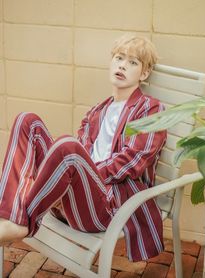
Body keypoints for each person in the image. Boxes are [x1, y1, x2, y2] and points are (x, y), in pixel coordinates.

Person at [0, 35, 166, 262]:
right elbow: (81, 156)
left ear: (144, 74)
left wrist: (84, 175)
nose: (122, 65)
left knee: (68, 146)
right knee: (27, 121)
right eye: (119, 58)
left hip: (107, 208)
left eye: (133, 62)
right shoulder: (97, 111)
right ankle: (9, 217)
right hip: (71, 202)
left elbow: (132, 161)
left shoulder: (150, 109)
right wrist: (68, 180)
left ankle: (22, 222)